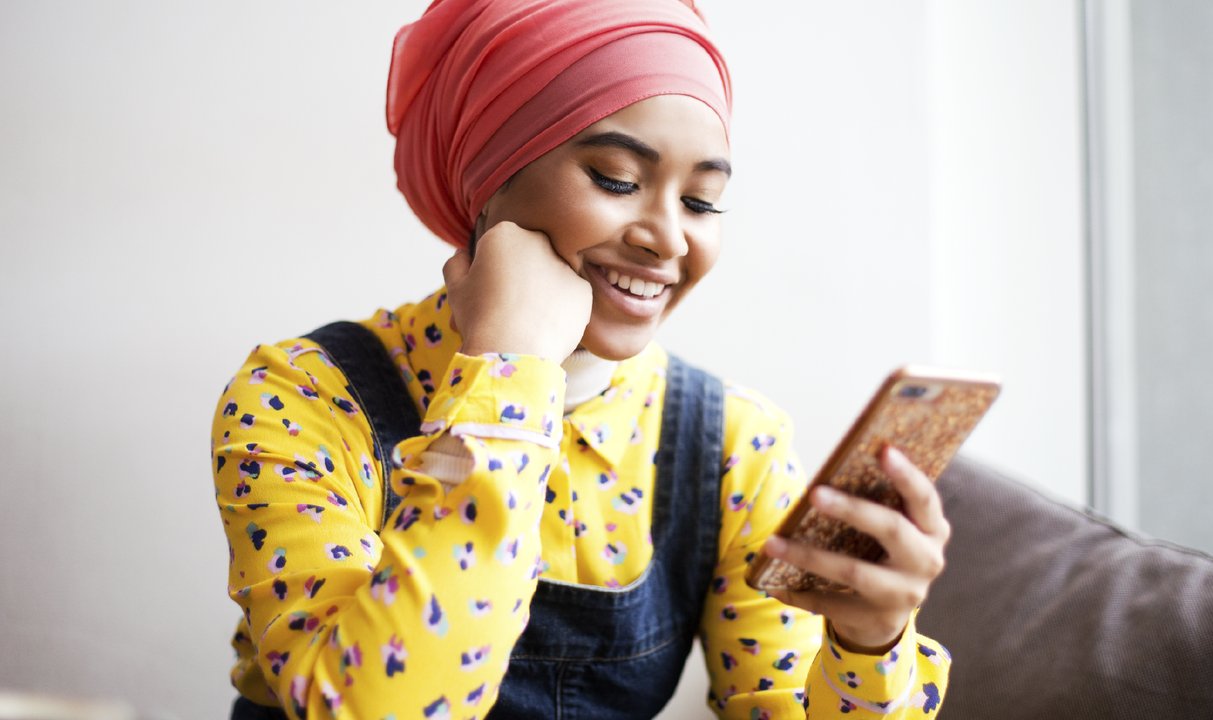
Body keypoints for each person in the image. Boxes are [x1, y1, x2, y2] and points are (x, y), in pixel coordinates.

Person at [210, 0, 952, 717]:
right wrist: (510, 374)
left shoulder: (732, 444)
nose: (666, 238)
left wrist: (868, 641)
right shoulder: (303, 395)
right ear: (489, 175)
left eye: (701, 202)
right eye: (618, 180)